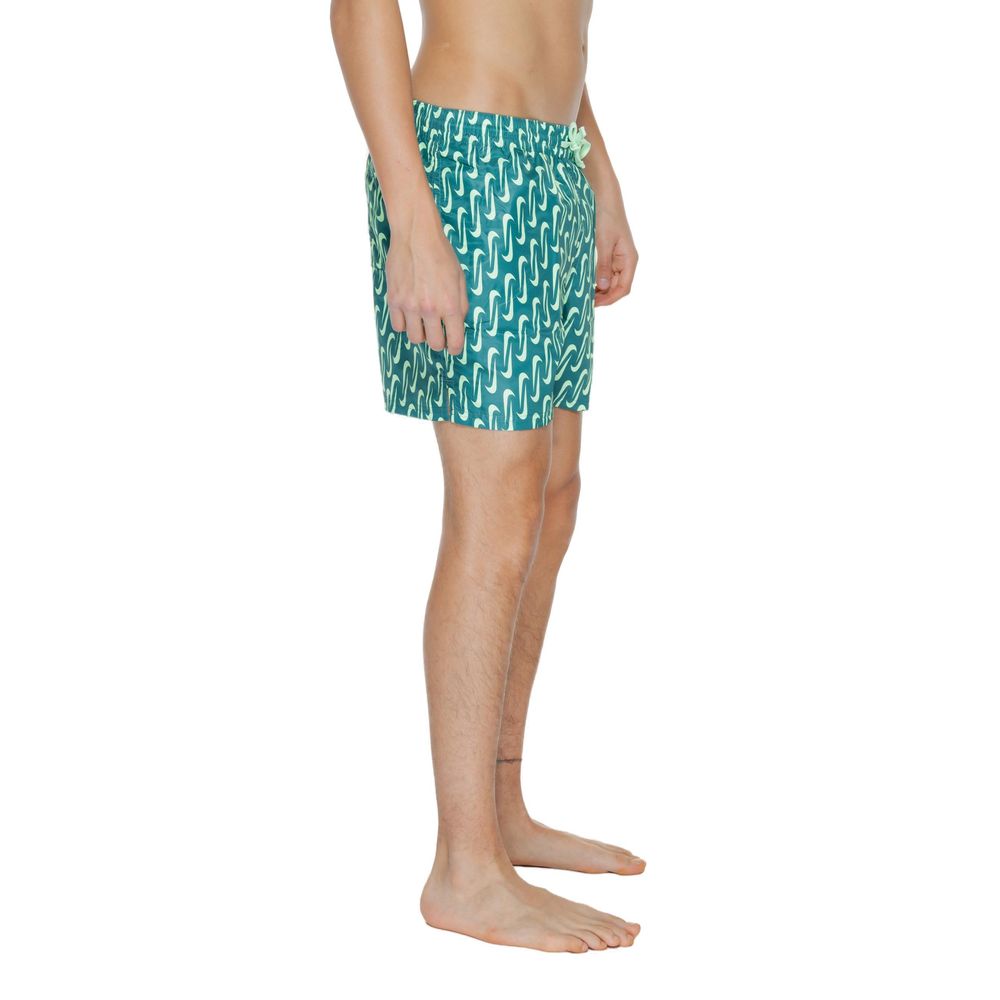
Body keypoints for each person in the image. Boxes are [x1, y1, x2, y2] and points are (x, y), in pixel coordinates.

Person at [330, 0, 641, 953]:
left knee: (553, 495)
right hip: (467, 164)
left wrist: (597, 167)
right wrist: (411, 211)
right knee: (497, 511)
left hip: (552, 160)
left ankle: (500, 813)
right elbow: (358, 8)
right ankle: (464, 870)